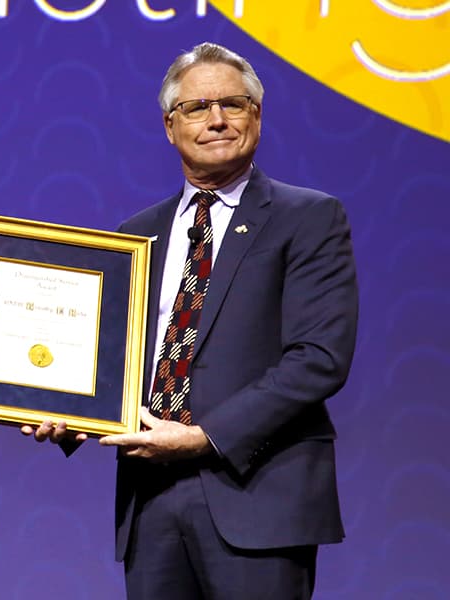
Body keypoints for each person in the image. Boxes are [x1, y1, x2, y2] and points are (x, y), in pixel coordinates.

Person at [24, 42, 358, 599]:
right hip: (151, 501)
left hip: (257, 497)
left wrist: (207, 437)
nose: (218, 119)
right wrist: (68, 410)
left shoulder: (310, 217)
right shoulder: (134, 236)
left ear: (257, 115)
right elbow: (109, 363)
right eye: (198, 107)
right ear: (169, 124)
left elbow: (319, 359)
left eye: (234, 103)